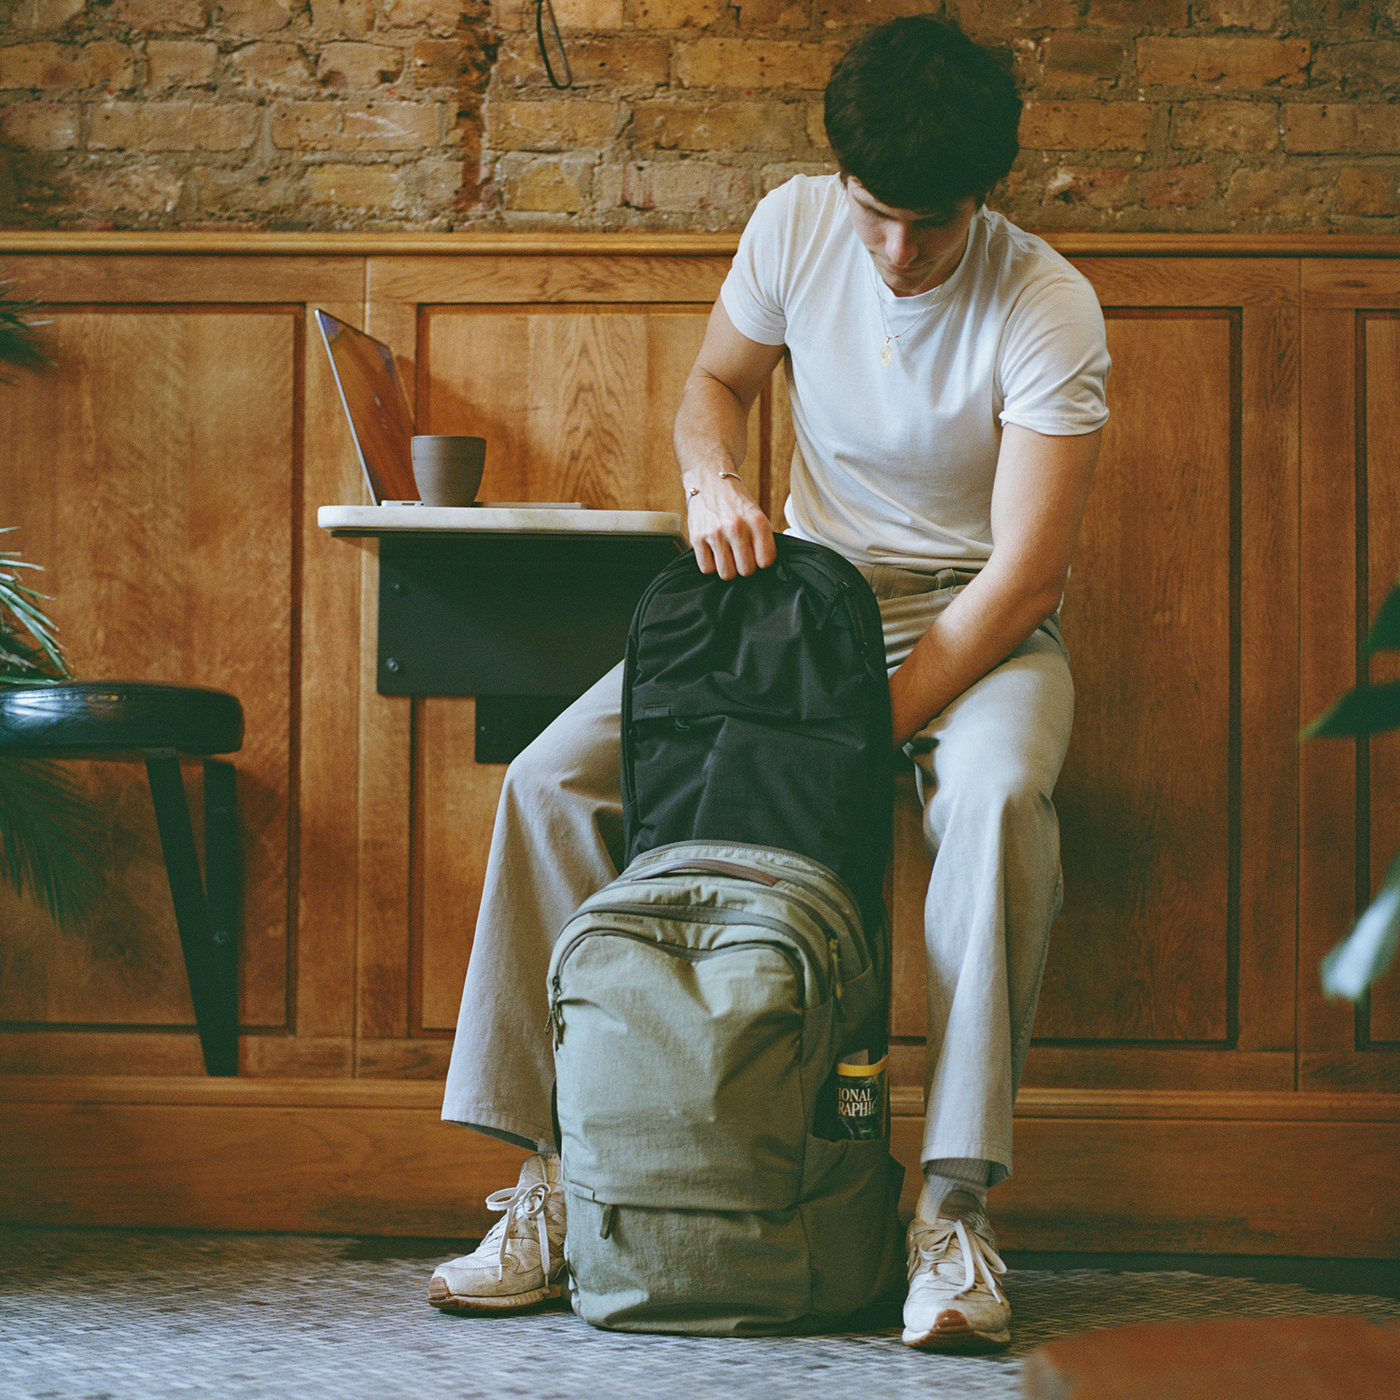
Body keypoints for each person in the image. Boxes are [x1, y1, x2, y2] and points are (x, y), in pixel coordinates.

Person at [429, 14, 1109, 1354]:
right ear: (838, 181)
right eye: (873, 215)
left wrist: (850, 742)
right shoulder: (794, 225)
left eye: (928, 224)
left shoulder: (1048, 303)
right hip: (799, 611)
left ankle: (953, 1213)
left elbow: (1024, 578)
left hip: (975, 631)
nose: (895, 253)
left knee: (999, 797)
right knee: (549, 779)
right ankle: (561, 1185)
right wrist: (712, 478)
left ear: (985, 196)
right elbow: (713, 386)